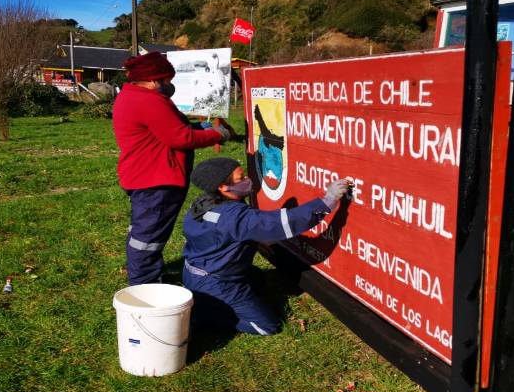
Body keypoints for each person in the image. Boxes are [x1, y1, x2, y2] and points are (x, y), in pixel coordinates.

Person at [182, 157, 350, 335]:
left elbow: (222, 234)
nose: (248, 180)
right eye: (241, 178)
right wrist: (327, 201)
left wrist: (254, 239)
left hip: (196, 271)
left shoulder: (201, 204)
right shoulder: (233, 217)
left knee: (258, 280)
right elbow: (281, 223)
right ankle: (205, 314)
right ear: (223, 187)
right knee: (266, 326)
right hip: (217, 282)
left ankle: (205, 300)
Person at [112, 52, 230, 286]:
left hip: (142, 176)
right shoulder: (149, 100)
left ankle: (144, 274)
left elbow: (167, 126)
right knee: (148, 237)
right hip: (157, 180)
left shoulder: (132, 96)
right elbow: (181, 137)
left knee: (143, 232)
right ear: (155, 79)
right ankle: (144, 285)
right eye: (167, 80)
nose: (170, 85)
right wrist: (218, 134)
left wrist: (201, 125)